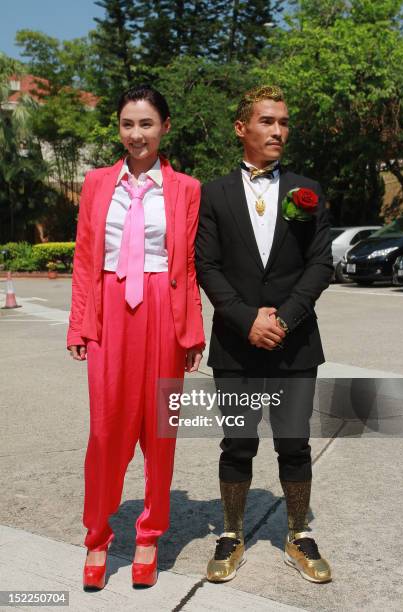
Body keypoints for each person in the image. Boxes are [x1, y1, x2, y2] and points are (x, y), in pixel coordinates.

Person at [67, 85, 205, 591]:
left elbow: (186, 263)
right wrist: (79, 320)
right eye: (128, 124)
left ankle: (149, 534)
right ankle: (98, 536)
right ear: (119, 128)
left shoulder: (186, 188)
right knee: (105, 431)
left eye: (146, 124)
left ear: (164, 127)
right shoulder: (98, 182)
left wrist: (192, 330)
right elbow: (85, 258)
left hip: (163, 314)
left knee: (160, 432)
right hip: (109, 309)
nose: (136, 134)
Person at [195, 85, 333, 584]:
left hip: (295, 343)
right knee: (237, 442)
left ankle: (298, 533)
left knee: (294, 442)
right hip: (236, 344)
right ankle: (232, 533)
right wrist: (246, 318)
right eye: (267, 121)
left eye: (284, 122)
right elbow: (206, 265)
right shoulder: (212, 193)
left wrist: (283, 319)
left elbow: (321, 263)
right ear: (242, 128)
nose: (278, 131)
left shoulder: (307, 189)